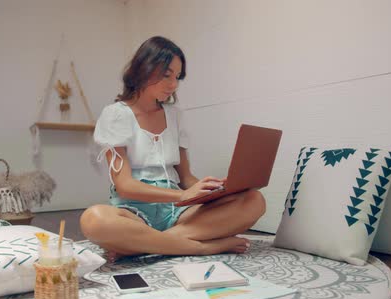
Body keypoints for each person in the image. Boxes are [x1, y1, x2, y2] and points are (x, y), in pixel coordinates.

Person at [80, 36, 265, 262]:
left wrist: (215, 189)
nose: (173, 84)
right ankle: (202, 247)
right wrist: (183, 194)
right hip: (134, 212)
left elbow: (186, 177)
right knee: (93, 219)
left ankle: (143, 245)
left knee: (254, 201)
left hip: (178, 212)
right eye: (166, 75)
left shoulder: (175, 115)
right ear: (143, 68)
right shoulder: (115, 115)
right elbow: (125, 186)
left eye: (177, 77)